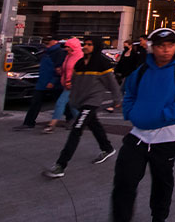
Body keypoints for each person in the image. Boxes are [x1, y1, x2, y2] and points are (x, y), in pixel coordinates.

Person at [110, 27, 175, 222]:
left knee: (162, 182)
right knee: (124, 181)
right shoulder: (142, 70)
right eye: (160, 46)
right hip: (138, 135)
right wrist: (131, 113)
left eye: (170, 45)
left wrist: (165, 115)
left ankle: (159, 217)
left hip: (168, 136)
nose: (166, 50)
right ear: (153, 48)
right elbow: (130, 93)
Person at [43, 38, 122, 179]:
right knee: (94, 125)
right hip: (81, 101)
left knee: (76, 130)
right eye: (84, 44)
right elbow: (75, 84)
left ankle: (61, 165)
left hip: (92, 101)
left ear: (96, 46)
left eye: (89, 44)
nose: (86, 47)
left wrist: (117, 99)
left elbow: (112, 83)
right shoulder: (79, 64)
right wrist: (73, 100)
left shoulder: (102, 63)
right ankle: (107, 148)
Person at [15, 36, 65, 130]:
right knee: (36, 102)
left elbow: (59, 70)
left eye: (48, 41)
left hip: (53, 82)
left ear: (55, 41)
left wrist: (53, 81)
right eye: (45, 42)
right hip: (43, 81)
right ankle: (29, 122)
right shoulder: (45, 52)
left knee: (61, 102)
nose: (46, 44)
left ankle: (72, 119)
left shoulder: (58, 53)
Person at [43, 38, 83, 133]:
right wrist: (61, 70)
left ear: (73, 47)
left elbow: (80, 72)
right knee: (72, 105)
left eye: (68, 47)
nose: (66, 48)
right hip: (67, 83)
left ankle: (52, 125)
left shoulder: (79, 57)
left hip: (73, 84)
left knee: (60, 103)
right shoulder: (69, 56)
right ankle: (82, 121)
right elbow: (67, 69)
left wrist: (70, 81)